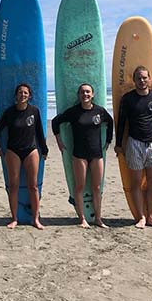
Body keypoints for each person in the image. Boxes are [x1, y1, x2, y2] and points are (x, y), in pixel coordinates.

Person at [52, 83, 113, 228]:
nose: (85, 94)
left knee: (97, 187)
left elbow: (110, 123)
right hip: (79, 155)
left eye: (88, 92)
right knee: (79, 186)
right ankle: (82, 219)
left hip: (97, 154)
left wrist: (108, 141)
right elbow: (55, 122)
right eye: (82, 92)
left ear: (92, 95)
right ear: (79, 95)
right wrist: (59, 141)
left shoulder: (100, 111)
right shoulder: (74, 112)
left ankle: (98, 218)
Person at [114, 65, 152, 229]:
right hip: (134, 143)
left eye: (145, 77)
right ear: (134, 80)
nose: (142, 81)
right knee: (136, 183)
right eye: (139, 78)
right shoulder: (128, 99)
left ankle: (151, 216)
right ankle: (141, 217)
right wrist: (118, 144)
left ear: (149, 79)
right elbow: (121, 122)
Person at [0, 83, 49, 230]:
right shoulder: (10, 112)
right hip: (13, 151)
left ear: (29, 95)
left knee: (33, 186)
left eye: (25, 93)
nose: (22, 95)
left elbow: (39, 133)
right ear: (16, 95)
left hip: (31, 150)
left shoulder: (34, 111)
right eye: (20, 92)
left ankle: (36, 219)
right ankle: (14, 218)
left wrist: (44, 150)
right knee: (13, 186)